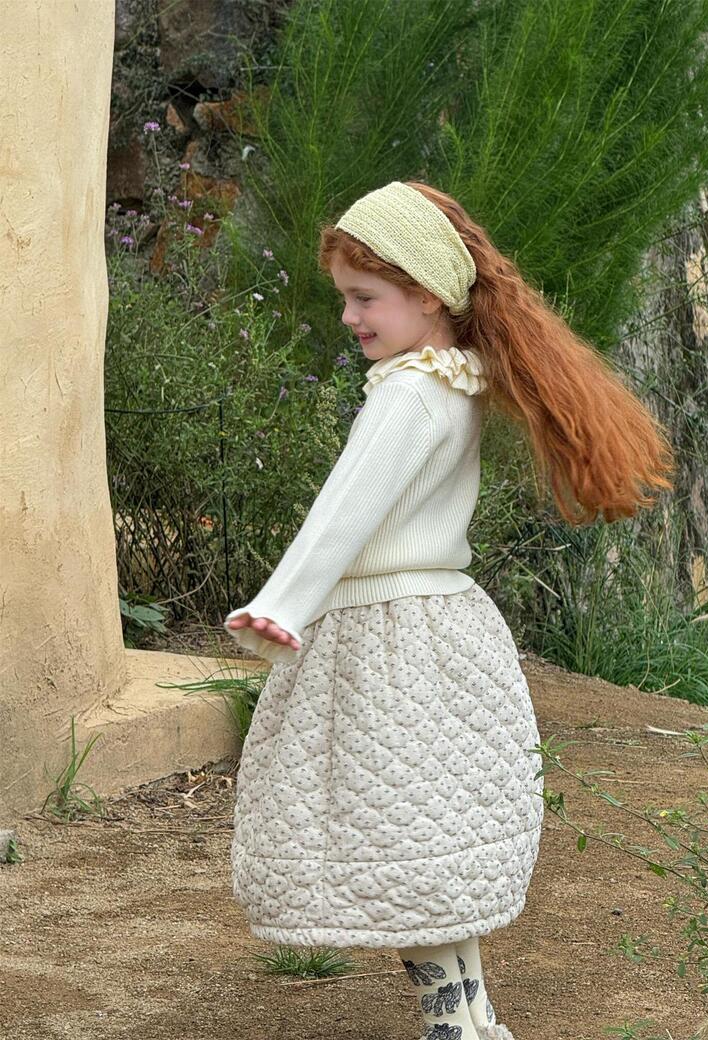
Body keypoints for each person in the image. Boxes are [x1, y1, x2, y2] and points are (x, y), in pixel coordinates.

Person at [223, 180, 676, 1040]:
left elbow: (343, 515)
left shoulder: (407, 394)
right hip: (440, 625)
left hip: (384, 636)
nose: (350, 317)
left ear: (427, 293)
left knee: (397, 843)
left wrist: (281, 605)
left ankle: (455, 1028)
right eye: (347, 298)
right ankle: (469, 1021)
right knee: (428, 843)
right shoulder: (453, 382)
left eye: (365, 297)